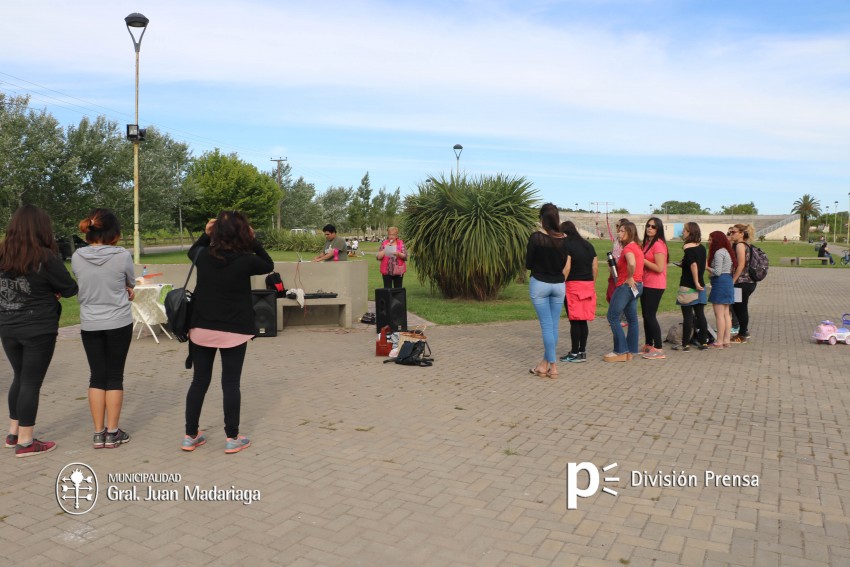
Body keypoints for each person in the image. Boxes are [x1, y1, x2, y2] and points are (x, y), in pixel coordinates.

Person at [182, 211, 274, 454]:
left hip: (202, 328)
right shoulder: (246, 260)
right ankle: (232, 437)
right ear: (243, 233)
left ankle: (190, 435)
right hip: (234, 331)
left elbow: (192, 250)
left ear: (216, 232)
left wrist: (206, 232)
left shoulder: (202, 255)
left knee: (199, 381)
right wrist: (252, 240)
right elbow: (268, 264)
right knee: (231, 383)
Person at [0, 205, 78, 457]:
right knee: (31, 382)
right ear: (42, 228)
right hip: (38, 328)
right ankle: (26, 441)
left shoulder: (2, 254)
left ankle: (13, 433)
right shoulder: (45, 256)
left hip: (8, 326)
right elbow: (69, 289)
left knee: (20, 377)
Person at [72, 209, 136, 449]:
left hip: (90, 323)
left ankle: (98, 433)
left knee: (97, 376)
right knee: (115, 376)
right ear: (114, 232)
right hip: (118, 321)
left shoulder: (77, 256)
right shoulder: (122, 256)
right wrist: (128, 290)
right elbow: (130, 282)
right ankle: (113, 432)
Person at [526, 203, 568, 378]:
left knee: (546, 326)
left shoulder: (536, 237)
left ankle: (553, 366)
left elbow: (528, 264)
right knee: (553, 325)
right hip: (559, 285)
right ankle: (544, 365)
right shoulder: (565, 238)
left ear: (542, 219)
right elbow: (564, 262)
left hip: (540, 283)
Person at [604, 221, 644, 362]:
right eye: (619, 231)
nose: (619, 233)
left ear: (629, 233)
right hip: (637, 286)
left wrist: (629, 277)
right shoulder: (636, 247)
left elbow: (632, 263)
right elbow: (631, 265)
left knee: (612, 317)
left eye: (622, 231)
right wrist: (613, 267)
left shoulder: (627, 248)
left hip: (626, 286)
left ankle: (620, 351)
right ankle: (631, 350)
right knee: (632, 319)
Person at [558, 221, 597, 363]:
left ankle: (574, 353)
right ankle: (582, 351)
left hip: (573, 285)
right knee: (583, 320)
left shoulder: (566, 245)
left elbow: (567, 267)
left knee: (574, 320)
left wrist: (561, 282)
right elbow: (595, 268)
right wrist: (592, 283)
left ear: (564, 233)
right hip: (588, 285)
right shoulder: (588, 245)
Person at [674, 222, 708, 351]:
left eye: (685, 230)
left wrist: (695, 282)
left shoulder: (687, 247)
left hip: (689, 285)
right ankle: (703, 342)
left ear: (690, 232)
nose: (682, 232)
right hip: (701, 285)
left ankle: (685, 344)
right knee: (700, 314)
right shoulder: (702, 247)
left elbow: (693, 265)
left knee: (687, 316)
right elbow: (702, 265)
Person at [640, 217, 668, 360]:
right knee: (645, 315)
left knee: (650, 315)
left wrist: (642, 259)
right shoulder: (647, 243)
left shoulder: (658, 244)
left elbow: (659, 267)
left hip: (655, 284)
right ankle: (649, 344)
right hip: (646, 283)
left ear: (659, 229)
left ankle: (658, 348)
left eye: (653, 226)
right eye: (648, 226)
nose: (650, 228)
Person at [707, 230, 736, 348]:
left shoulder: (718, 253)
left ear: (716, 240)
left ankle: (719, 341)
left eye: (710, 239)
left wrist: (707, 268)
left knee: (719, 314)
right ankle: (726, 340)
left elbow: (718, 272)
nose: (708, 242)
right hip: (727, 281)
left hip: (720, 283)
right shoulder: (726, 251)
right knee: (726, 313)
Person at [728, 224, 757, 343]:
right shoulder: (742, 245)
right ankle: (742, 332)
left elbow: (741, 265)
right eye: (730, 232)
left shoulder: (740, 245)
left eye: (734, 232)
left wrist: (733, 280)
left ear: (741, 233)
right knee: (738, 307)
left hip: (742, 282)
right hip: (746, 282)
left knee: (741, 308)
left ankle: (743, 334)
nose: (731, 234)